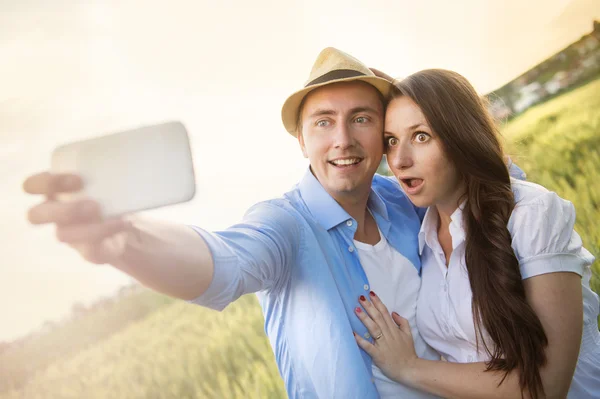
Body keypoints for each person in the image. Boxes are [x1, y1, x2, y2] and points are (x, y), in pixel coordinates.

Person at [23, 48, 447, 398]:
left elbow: (484, 183)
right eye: (323, 122)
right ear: (301, 141)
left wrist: (424, 112)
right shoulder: (285, 224)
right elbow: (223, 262)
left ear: (382, 131)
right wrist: (124, 238)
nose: (343, 139)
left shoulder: (403, 197)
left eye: (361, 118)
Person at [353, 69, 600, 398]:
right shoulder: (422, 238)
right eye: (392, 141)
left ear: (460, 136)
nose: (399, 160)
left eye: (421, 136)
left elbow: (544, 386)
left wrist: (409, 367)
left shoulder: (531, 215)